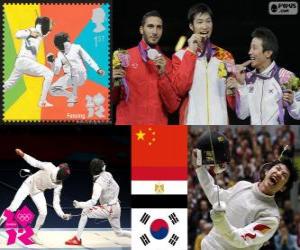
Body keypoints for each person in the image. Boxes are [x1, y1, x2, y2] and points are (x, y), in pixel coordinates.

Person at [193, 131, 298, 249]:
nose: (279, 173)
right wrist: (200, 168)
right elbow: (215, 195)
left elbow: (241, 239)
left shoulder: (271, 217)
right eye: (277, 169)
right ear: (267, 171)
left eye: (284, 175)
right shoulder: (243, 185)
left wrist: (220, 221)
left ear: (283, 188)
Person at [171, 3, 235, 124]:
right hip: (191, 122)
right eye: (199, 22)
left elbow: (233, 101)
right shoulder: (179, 56)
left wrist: (237, 87)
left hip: (219, 123)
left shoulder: (225, 56)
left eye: (208, 21)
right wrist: (191, 53)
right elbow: (180, 89)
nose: (205, 26)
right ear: (191, 26)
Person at [112, 10, 179, 124]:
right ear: (141, 30)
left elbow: (173, 107)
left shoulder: (167, 63)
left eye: (159, 27)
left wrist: (163, 74)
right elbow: (112, 100)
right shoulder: (122, 56)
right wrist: (112, 82)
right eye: (150, 26)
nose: (155, 31)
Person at [227, 27, 300, 124]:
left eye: (254, 48)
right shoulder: (247, 77)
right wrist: (241, 85)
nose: (250, 52)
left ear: (268, 53)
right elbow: (242, 115)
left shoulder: (287, 77)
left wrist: (292, 104)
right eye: (250, 48)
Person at [0, 149, 72, 244]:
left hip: (38, 191)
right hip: (28, 184)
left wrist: (62, 214)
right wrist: (23, 155)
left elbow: (56, 203)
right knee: (13, 207)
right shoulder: (51, 169)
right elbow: (35, 163)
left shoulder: (57, 183)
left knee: (43, 212)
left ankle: (33, 235)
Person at [65, 158, 131, 246]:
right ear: (101, 168)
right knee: (119, 233)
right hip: (116, 207)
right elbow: (117, 187)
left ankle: (77, 239)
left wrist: (80, 205)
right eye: (103, 164)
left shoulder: (98, 184)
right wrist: (114, 198)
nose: (105, 165)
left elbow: (93, 201)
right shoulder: (108, 174)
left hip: (109, 209)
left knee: (85, 211)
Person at [3, 17, 54, 108]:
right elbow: (17, 34)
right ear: (44, 24)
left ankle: (42, 102)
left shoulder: (40, 34)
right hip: (26, 61)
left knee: (8, 85)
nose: (52, 25)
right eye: (50, 23)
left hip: (21, 63)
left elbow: (44, 32)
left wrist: (45, 27)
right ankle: (42, 102)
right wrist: (30, 33)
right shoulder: (33, 30)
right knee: (49, 74)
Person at [47, 32, 105, 107]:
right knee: (51, 90)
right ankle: (72, 96)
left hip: (81, 75)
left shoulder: (76, 47)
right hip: (69, 77)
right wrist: (52, 63)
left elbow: (88, 58)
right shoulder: (59, 54)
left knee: (73, 70)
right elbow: (56, 71)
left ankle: (74, 94)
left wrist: (97, 69)